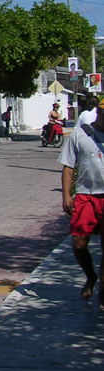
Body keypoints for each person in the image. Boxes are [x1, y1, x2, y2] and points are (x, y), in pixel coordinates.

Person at [59, 103, 104, 306]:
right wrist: (67, 196)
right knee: (78, 243)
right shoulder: (80, 134)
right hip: (86, 196)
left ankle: (103, 288)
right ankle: (90, 275)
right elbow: (68, 166)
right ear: (99, 112)